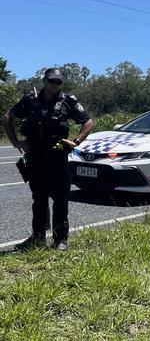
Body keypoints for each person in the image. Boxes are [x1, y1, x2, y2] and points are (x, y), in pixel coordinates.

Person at [2, 68, 93, 251]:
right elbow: (7, 116)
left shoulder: (68, 101)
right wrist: (14, 141)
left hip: (58, 158)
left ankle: (60, 240)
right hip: (35, 158)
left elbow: (88, 122)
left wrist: (76, 141)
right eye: (51, 81)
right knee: (39, 200)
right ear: (44, 80)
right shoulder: (30, 99)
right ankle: (37, 238)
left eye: (58, 82)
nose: (54, 85)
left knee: (60, 200)